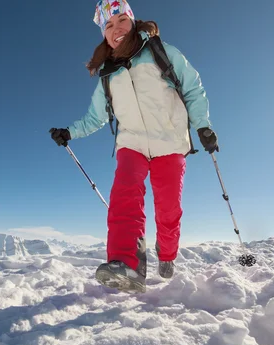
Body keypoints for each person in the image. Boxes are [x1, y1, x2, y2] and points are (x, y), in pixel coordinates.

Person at [50, 0, 218, 293]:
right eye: (109, 26)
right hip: (132, 143)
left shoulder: (161, 52)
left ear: (132, 20)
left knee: (168, 209)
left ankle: (166, 255)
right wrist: (70, 132)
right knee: (124, 194)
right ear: (104, 33)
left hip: (170, 142)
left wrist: (203, 126)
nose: (116, 30)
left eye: (120, 21)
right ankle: (126, 264)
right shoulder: (108, 74)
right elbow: (95, 117)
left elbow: (192, 88)